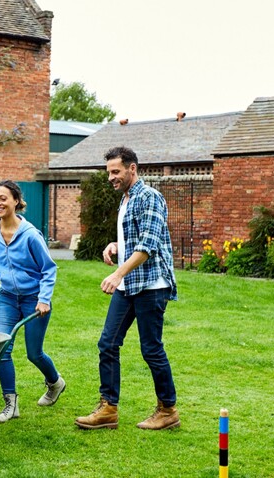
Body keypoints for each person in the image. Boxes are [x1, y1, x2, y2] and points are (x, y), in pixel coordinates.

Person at [75, 146, 180, 431]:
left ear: (132, 169)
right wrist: (117, 245)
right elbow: (136, 239)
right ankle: (108, 408)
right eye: (109, 172)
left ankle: (168, 409)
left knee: (151, 349)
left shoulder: (150, 197)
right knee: (107, 343)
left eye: (116, 171)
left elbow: (148, 245)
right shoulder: (126, 199)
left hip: (151, 285)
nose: (111, 177)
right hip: (130, 284)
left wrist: (117, 273)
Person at [0, 179, 65, 423]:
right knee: (2, 349)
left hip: (34, 300)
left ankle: (55, 383)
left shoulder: (30, 235)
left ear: (17, 202)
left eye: (4, 198)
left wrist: (44, 299)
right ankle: (11, 404)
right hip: (7, 297)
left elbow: (48, 269)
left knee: (34, 353)